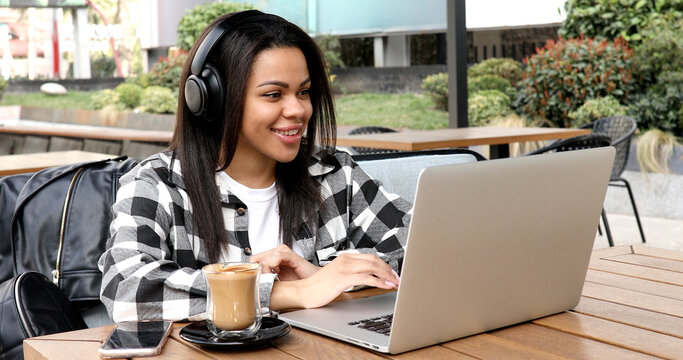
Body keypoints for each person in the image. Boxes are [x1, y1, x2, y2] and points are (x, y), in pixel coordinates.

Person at [98, 10, 411, 323]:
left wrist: (327, 275)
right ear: (215, 100)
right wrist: (293, 293)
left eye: (303, 91)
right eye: (274, 94)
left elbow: (424, 245)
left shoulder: (335, 173)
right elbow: (127, 289)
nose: (298, 109)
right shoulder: (158, 183)